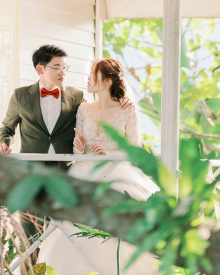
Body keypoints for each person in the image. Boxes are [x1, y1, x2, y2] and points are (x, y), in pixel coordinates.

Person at [36, 57, 158, 275]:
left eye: (93, 74)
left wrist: (109, 153)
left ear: (108, 80)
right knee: (70, 229)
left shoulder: (127, 110)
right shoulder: (83, 108)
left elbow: (134, 149)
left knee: (115, 231)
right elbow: (77, 151)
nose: (88, 79)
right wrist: (80, 146)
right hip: (84, 173)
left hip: (117, 175)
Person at [0, 44, 83, 158]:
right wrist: (3, 144)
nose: (63, 72)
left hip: (64, 166)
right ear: (40, 68)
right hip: (31, 166)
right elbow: (6, 129)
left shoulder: (77, 96)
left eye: (64, 67)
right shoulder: (20, 96)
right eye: (57, 68)